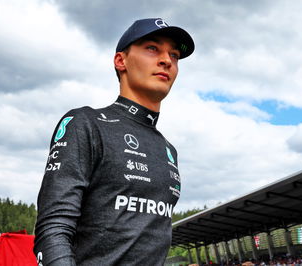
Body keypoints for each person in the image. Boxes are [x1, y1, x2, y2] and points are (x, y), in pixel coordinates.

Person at [33, 18, 194, 265]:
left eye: (174, 55)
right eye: (152, 48)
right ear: (121, 61)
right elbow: (53, 228)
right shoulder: (86, 123)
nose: (166, 60)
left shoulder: (168, 149)